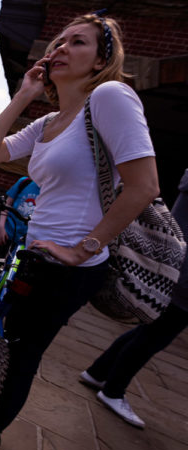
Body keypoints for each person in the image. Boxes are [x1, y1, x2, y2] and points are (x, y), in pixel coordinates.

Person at [0, 13, 159, 450]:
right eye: (58, 40)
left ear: (100, 61)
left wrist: (82, 249)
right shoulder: (50, 121)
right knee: (1, 337)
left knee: (21, 350)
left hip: (72, 264)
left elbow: (145, 186)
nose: (59, 48)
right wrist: (24, 95)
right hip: (34, 251)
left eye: (77, 42)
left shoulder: (111, 98)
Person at [80, 168, 188, 429]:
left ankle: (98, 372)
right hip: (183, 277)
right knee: (157, 335)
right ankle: (114, 390)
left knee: (150, 328)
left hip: (175, 266)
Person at [0, 176, 40, 260]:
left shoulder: (50, 192)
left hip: (24, 242)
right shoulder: (24, 182)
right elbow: (7, 204)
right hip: (6, 234)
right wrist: (1, 227)